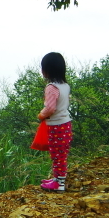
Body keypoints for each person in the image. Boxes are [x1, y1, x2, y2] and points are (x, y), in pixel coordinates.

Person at [38, 52, 72, 192]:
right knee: (61, 153)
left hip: (56, 126)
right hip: (66, 124)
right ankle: (57, 179)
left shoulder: (52, 88)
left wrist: (41, 115)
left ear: (47, 70)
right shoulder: (65, 85)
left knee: (57, 154)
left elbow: (50, 108)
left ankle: (59, 184)